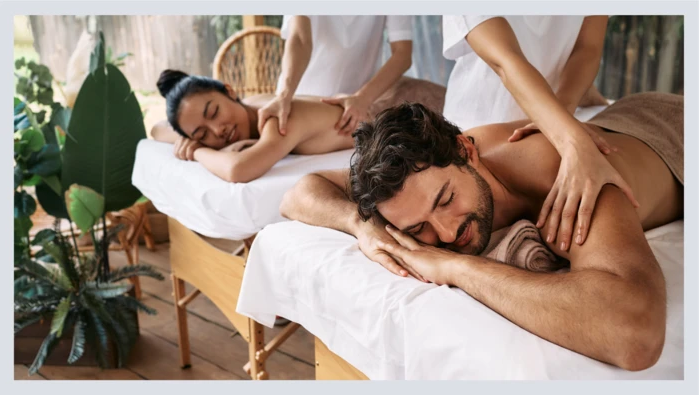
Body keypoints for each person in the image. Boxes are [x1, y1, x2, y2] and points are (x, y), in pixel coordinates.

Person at [280, 92, 683, 371]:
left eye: (444, 200)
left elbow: (636, 334)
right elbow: (301, 191)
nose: (447, 231)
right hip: (617, 119)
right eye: (417, 228)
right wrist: (362, 226)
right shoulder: (413, 179)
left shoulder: (562, 172)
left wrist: (456, 268)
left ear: (466, 151)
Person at [441, 15, 640, 254]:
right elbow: (504, 59)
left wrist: (560, 119)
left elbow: (587, 48)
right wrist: (571, 141)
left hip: (549, 123)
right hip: (479, 129)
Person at [150, 69, 353, 183]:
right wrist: (186, 139)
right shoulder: (250, 105)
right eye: (202, 134)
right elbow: (157, 128)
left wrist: (197, 150)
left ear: (229, 91)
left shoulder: (278, 118)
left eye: (214, 113)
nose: (217, 130)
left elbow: (238, 170)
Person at [257, 15, 413, 136]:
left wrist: (363, 99)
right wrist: (285, 95)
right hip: (294, 101)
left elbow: (402, 54)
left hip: (350, 112)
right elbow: (300, 38)